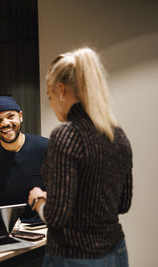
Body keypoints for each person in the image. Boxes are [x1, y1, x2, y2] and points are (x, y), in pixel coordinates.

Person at [28, 47, 132, 267]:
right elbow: (122, 204)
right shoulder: (118, 135)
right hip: (116, 252)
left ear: (61, 90)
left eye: (50, 96)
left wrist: (38, 199)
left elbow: (56, 217)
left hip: (75, 256)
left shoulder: (66, 135)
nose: (52, 104)